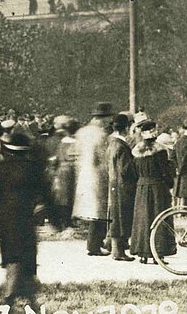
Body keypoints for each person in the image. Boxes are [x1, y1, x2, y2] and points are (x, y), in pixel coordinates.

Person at [0, 130, 50, 306]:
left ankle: (23, 297)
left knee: (12, 256)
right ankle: (16, 295)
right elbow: (45, 192)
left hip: (5, 219)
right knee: (26, 257)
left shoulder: (1, 167)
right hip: (24, 218)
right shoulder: (33, 168)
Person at [130, 121, 174, 264]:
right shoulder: (160, 150)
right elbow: (165, 171)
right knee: (159, 217)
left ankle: (143, 253)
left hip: (142, 188)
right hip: (157, 188)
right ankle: (158, 253)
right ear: (154, 133)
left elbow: (134, 172)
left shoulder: (136, 150)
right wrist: (170, 183)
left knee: (143, 219)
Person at [73, 102, 113, 257]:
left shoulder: (82, 132)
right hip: (98, 175)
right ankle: (95, 245)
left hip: (84, 175)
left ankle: (93, 244)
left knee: (93, 212)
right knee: (100, 212)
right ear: (103, 118)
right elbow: (101, 158)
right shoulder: (102, 135)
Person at [106, 113, 138, 261]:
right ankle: (118, 252)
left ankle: (116, 250)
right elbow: (126, 169)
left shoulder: (111, 143)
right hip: (123, 186)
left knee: (116, 217)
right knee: (122, 217)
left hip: (114, 183)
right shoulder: (122, 146)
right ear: (126, 127)